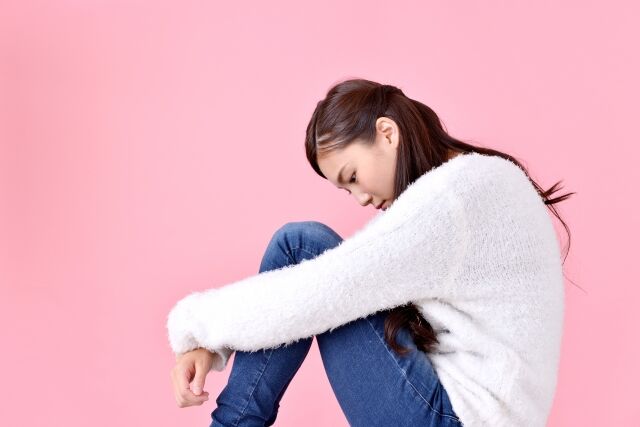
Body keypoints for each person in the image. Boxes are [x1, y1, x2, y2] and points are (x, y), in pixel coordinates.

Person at [167, 78, 575, 426]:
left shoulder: (456, 196)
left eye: (353, 176)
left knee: (300, 245)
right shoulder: (479, 181)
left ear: (387, 133)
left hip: (454, 419)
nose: (361, 198)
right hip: (471, 413)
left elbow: (322, 289)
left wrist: (194, 329)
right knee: (309, 259)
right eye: (347, 190)